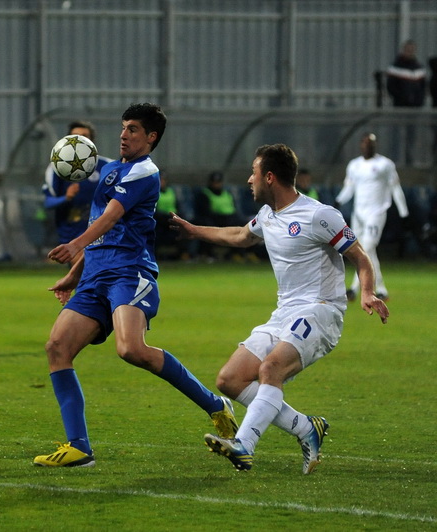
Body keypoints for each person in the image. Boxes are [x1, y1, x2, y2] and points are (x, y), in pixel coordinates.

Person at [33, 103, 237, 468]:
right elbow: (101, 224)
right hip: (95, 275)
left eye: (133, 130)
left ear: (151, 137)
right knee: (57, 347)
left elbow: (112, 216)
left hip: (130, 273)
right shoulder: (112, 168)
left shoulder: (146, 172)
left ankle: (214, 404)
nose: (124, 135)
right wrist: (75, 273)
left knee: (131, 349)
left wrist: (75, 242)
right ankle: (79, 447)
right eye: (123, 128)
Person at [169, 143, 390, 474]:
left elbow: (359, 255)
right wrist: (194, 230)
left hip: (322, 310)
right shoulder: (268, 215)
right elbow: (241, 235)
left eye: (253, 173)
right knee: (230, 379)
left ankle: (244, 444)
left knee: (270, 369)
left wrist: (369, 292)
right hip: (284, 313)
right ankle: (305, 428)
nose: (249, 180)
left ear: (269, 177)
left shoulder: (319, 215)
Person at [335, 133, 408, 301]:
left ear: (375, 146)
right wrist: (338, 201)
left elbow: (395, 188)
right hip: (358, 213)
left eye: (371, 144)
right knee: (363, 249)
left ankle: (354, 287)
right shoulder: (354, 165)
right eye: (365, 144)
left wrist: (403, 212)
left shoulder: (385, 164)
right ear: (360, 145)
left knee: (366, 248)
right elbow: (349, 188)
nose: (368, 147)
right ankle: (381, 289)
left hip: (377, 212)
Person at [42, 120, 113, 245]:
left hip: (102, 232)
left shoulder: (108, 166)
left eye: (84, 137)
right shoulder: (56, 168)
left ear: (92, 141)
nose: (79, 141)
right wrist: (66, 198)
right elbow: (48, 203)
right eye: (75, 137)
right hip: (71, 232)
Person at [386, 39, 426, 165]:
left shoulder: (419, 68)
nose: (409, 52)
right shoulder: (395, 67)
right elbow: (391, 87)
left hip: (414, 109)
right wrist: (401, 99)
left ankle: (410, 161)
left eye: (412, 49)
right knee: (397, 134)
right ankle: (395, 160)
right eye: (407, 49)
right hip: (400, 107)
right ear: (403, 50)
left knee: (411, 136)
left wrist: (418, 102)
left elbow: (422, 88)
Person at [193, 171, 247, 262]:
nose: (216, 184)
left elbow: (232, 208)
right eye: (214, 182)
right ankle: (207, 254)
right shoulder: (204, 194)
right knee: (207, 226)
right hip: (214, 219)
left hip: (228, 219)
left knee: (242, 226)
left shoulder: (227, 193)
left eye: (218, 182)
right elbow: (205, 211)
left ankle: (238, 253)